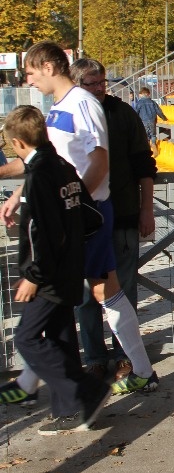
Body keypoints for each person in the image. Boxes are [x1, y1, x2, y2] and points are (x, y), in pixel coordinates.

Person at [0, 42, 158, 405]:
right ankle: (141, 372)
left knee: (58, 292)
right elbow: (47, 163)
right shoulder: (60, 107)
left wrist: (72, 209)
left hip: (85, 220)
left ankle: (41, 385)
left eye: (29, 73)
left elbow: (99, 162)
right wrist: (17, 194)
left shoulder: (82, 105)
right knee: (94, 293)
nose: (28, 80)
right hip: (79, 218)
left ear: (47, 67)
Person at [3, 105, 111, 435]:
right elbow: (86, 214)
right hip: (69, 265)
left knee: (27, 338)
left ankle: (87, 391)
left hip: (48, 273)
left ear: (20, 143)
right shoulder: (62, 165)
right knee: (61, 336)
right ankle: (69, 410)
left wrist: (33, 276)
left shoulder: (39, 177)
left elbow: (41, 231)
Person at [70, 58, 158, 382]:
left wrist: (146, 209)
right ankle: (94, 357)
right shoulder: (68, 115)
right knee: (84, 295)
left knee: (123, 290)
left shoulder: (123, 114)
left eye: (101, 82)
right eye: (90, 84)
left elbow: (144, 166)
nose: (98, 89)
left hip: (121, 216)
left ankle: (125, 357)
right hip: (79, 221)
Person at [134, 86, 167, 156]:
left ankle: (147, 151)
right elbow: (159, 111)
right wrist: (164, 118)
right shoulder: (152, 102)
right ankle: (154, 144)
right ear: (148, 94)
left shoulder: (139, 103)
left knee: (145, 136)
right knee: (153, 135)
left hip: (143, 122)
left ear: (141, 95)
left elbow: (135, 113)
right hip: (152, 121)